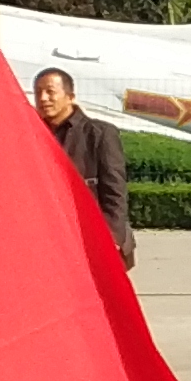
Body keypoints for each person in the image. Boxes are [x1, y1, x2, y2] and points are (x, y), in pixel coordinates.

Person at [33, 67, 136, 265]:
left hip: (93, 237)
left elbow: (115, 193)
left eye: (50, 92)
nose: (43, 98)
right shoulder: (33, 135)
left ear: (70, 97)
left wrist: (111, 239)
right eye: (38, 93)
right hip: (52, 240)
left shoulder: (100, 134)